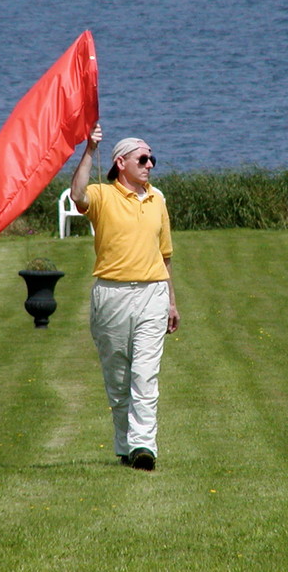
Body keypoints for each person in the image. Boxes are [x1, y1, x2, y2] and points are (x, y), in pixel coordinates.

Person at [70, 123, 180, 471]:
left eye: (152, 159)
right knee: (118, 379)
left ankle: (144, 447)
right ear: (120, 162)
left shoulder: (157, 199)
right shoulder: (102, 196)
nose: (149, 164)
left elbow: (165, 256)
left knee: (144, 376)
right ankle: (124, 445)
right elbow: (77, 194)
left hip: (153, 293)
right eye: (142, 158)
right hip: (112, 295)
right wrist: (88, 149)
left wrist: (172, 302)